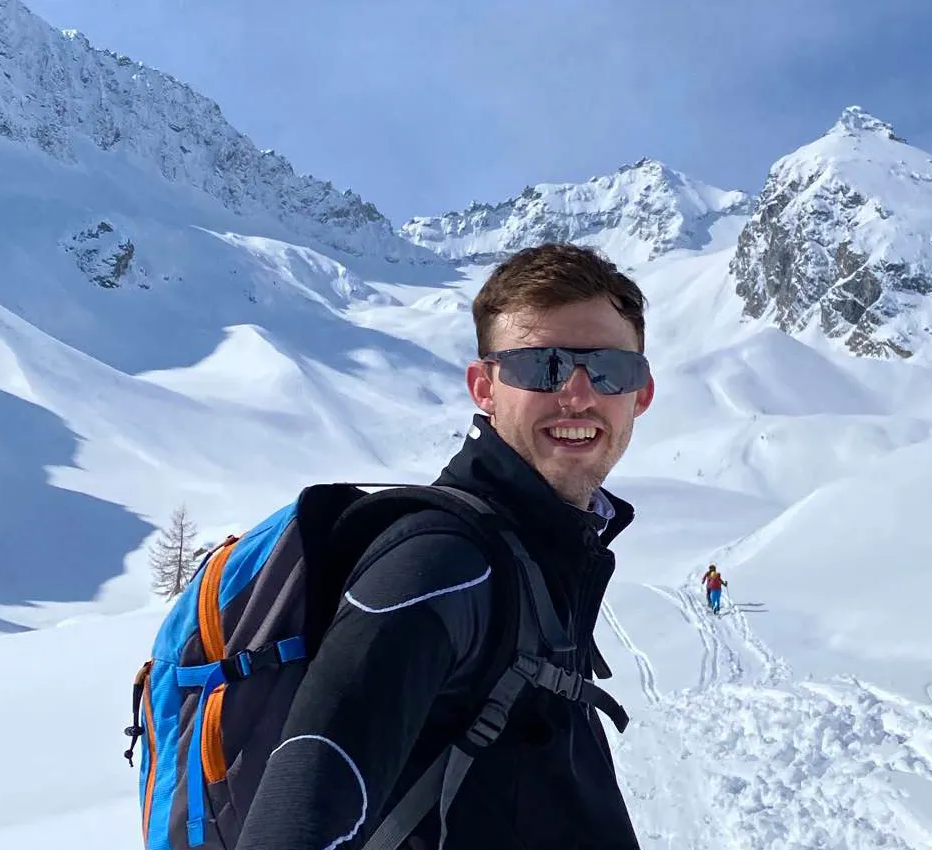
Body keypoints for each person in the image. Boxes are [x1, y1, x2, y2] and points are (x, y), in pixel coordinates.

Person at [235, 242, 656, 850]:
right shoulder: (438, 564)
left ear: (640, 394)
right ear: (483, 388)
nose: (580, 394)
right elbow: (296, 813)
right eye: (542, 366)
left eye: (611, 370)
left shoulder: (548, 549)